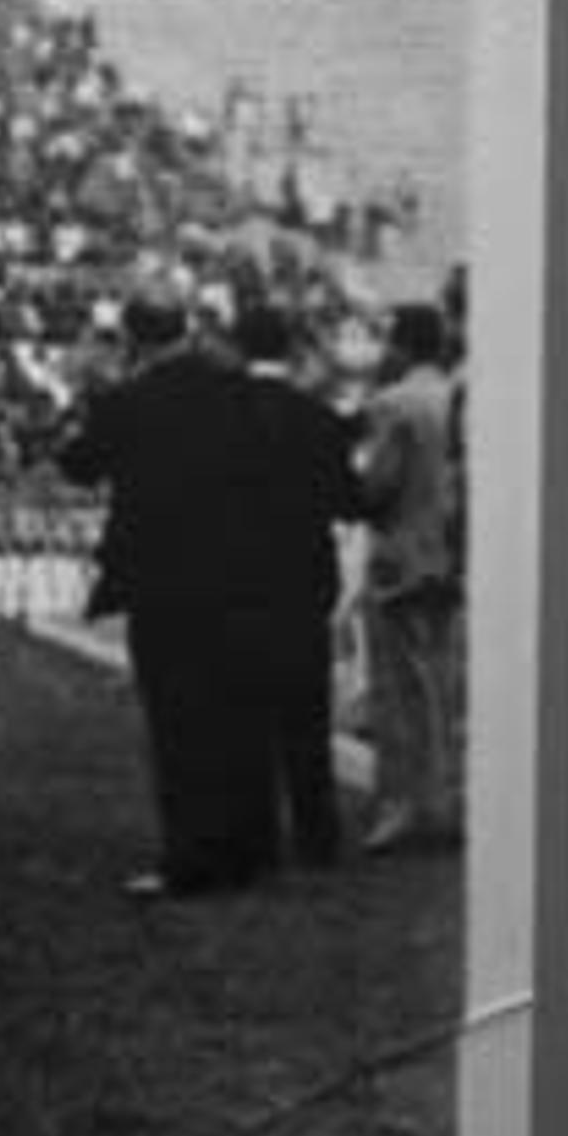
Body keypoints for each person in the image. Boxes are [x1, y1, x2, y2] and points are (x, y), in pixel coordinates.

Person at [56, 291, 343, 898]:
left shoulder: (126, 400)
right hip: (240, 577)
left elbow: (78, 464)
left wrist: (89, 395)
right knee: (233, 719)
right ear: (185, 331)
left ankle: (190, 859)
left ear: (133, 341)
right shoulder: (236, 391)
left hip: (163, 581)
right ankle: (246, 850)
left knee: (177, 725)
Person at [231, 302, 363, 871]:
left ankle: (254, 836)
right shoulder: (319, 418)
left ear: (239, 348)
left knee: (243, 714)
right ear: (290, 351)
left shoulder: (216, 417)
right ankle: (317, 836)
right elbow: (348, 501)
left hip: (236, 582)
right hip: (303, 577)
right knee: (305, 714)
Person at [352, 297, 465, 853]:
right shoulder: (456, 396)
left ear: (400, 343)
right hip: (448, 553)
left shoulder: (393, 403)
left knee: (397, 689)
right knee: (443, 684)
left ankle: (402, 807)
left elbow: (376, 488)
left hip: (400, 552)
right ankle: (446, 800)